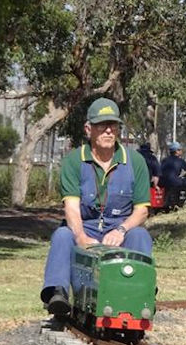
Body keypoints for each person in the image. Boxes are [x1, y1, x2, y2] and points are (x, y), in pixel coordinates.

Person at [41, 98, 153, 316]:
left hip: (119, 228)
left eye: (114, 125)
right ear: (88, 129)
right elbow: (71, 208)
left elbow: (142, 210)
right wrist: (81, 236)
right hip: (86, 226)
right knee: (63, 235)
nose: (109, 131)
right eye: (102, 125)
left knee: (140, 235)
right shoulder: (74, 161)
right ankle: (58, 294)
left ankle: (143, 289)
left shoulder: (135, 162)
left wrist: (121, 230)